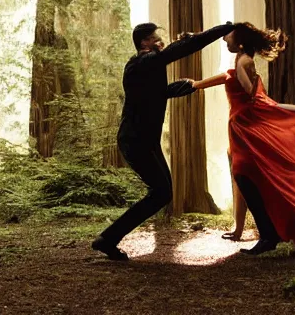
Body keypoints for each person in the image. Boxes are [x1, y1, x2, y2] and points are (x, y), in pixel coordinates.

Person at [193, 22, 295, 254]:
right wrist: (195, 84)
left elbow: (251, 94)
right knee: (245, 178)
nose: (223, 39)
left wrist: (246, 83)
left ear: (239, 43)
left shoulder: (244, 62)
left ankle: (270, 235)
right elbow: (227, 78)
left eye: (227, 36)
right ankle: (268, 234)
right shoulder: (240, 63)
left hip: (249, 130)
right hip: (243, 130)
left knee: (246, 176)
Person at [92, 21, 235, 260]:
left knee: (163, 193)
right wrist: (223, 29)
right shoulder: (142, 62)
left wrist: (188, 86)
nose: (160, 41)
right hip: (135, 141)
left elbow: (156, 93)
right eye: (155, 38)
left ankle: (108, 239)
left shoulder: (146, 67)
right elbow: (182, 49)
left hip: (145, 141)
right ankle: (107, 239)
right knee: (161, 192)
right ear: (144, 43)